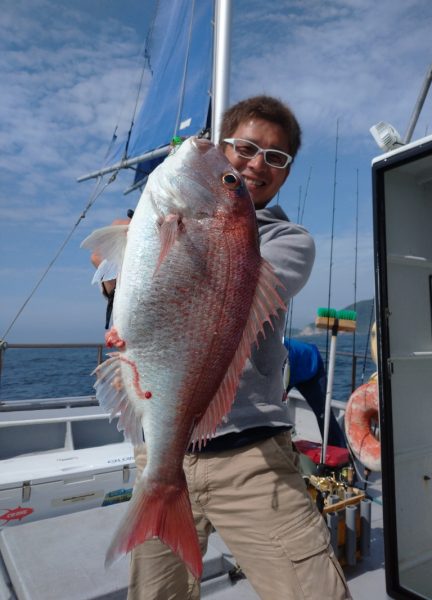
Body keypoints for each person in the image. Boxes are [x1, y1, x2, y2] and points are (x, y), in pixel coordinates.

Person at [93, 96, 351, 600]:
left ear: (287, 172)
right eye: (246, 148)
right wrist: (123, 286)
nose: (257, 164)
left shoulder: (289, 240)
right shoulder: (167, 218)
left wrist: (159, 239)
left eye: (275, 158)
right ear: (223, 146)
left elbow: (226, 289)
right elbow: (133, 294)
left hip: (250, 457)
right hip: (160, 452)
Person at [284, 338, 347, 448]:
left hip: (311, 367)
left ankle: (339, 450)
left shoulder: (277, 348)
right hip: (290, 371)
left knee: (323, 413)